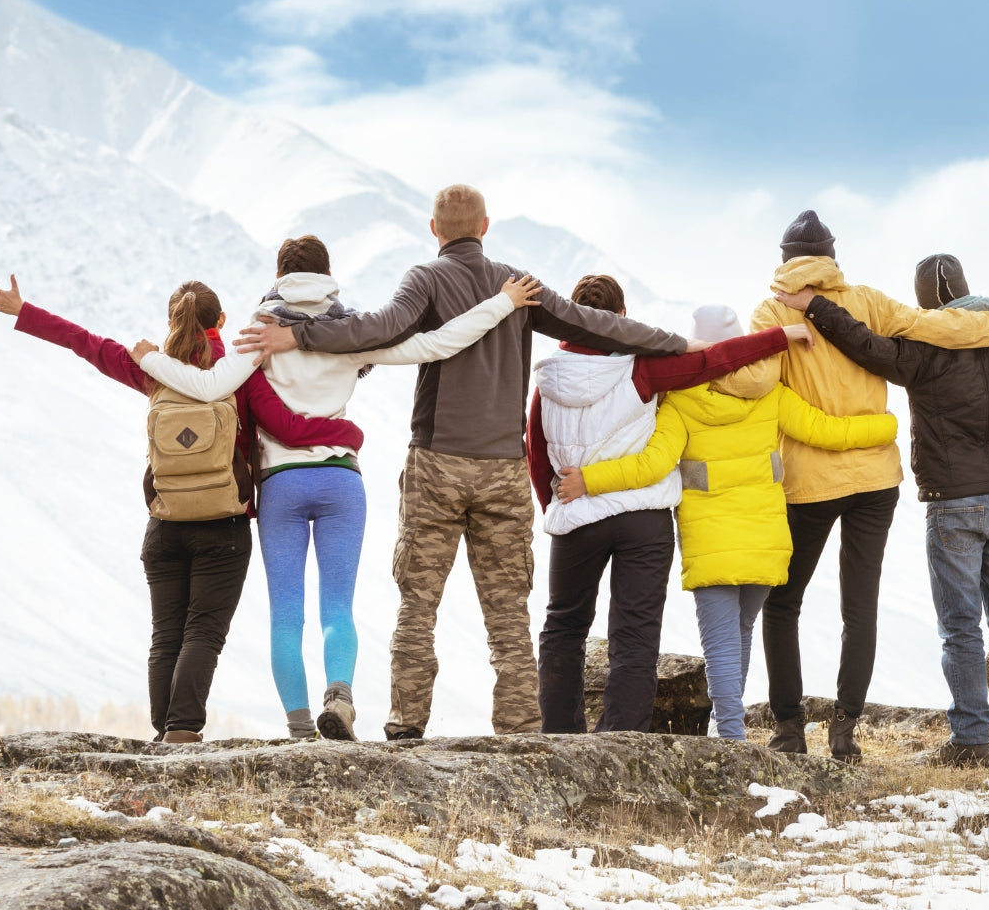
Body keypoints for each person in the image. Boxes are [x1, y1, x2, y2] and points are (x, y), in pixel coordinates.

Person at [235, 184, 691, 739]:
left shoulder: (426, 279)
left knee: (418, 604)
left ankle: (406, 725)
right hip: (502, 468)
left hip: (436, 465)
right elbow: (597, 324)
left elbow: (375, 329)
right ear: (485, 226)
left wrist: (297, 335)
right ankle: (522, 729)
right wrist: (674, 344)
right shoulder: (518, 285)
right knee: (507, 613)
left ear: (434, 230)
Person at [133, 234, 542, 741]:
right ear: (328, 275)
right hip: (340, 481)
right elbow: (439, 343)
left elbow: (208, 387)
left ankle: (301, 728)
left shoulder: (261, 334)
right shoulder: (350, 333)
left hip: (281, 484)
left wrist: (150, 359)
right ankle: (340, 695)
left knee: (287, 612)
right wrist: (503, 301)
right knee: (336, 606)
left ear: (278, 275)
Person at [0, 273, 362, 744]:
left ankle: (165, 731)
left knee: (166, 633)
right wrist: (348, 437)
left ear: (171, 321)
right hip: (223, 525)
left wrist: (24, 311)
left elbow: (86, 343)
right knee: (203, 631)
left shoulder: (151, 367)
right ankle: (183, 730)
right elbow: (285, 427)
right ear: (221, 321)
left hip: (164, 523)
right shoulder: (238, 371)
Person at [712, 209, 989, 757]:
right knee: (859, 607)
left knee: (784, 603)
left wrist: (707, 366)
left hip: (809, 482)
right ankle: (845, 731)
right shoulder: (866, 301)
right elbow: (939, 326)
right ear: (832, 257)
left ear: (786, 261)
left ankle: (790, 730)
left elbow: (761, 380)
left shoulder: (771, 309)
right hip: (876, 480)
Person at [778, 255, 989, 765]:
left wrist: (816, 306)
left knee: (961, 627)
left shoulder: (921, 345)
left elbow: (864, 345)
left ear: (923, 304)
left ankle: (971, 742)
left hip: (953, 505)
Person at [556, 304, 898, 753]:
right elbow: (824, 431)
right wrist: (887, 425)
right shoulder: (771, 392)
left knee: (721, 645)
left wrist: (589, 480)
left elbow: (652, 464)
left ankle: (732, 742)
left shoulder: (681, 400)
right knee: (738, 635)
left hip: (712, 541)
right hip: (765, 539)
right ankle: (727, 730)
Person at [528, 285, 823, 735]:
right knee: (636, 634)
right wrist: (780, 335)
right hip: (643, 520)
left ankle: (560, 739)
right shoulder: (643, 367)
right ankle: (623, 739)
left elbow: (537, 452)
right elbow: (715, 361)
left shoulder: (547, 381)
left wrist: (557, 510)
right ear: (622, 316)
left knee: (564, 629)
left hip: (577, 514)